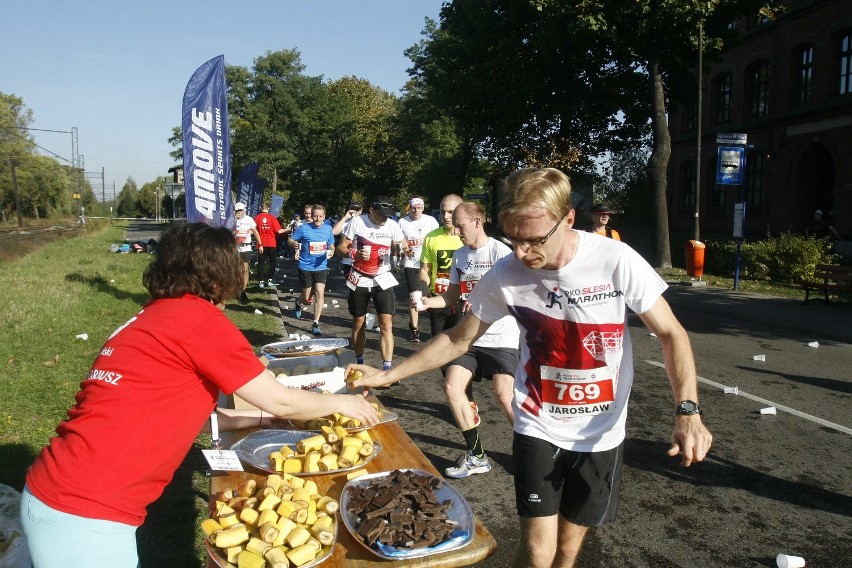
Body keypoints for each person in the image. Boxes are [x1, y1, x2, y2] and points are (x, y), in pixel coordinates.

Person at [348, 168, 713, 568]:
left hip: (602, 431)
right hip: (538, 423)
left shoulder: (615, 260)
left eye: (535, 240)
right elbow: (458, 339)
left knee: (568, 552)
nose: (522, 253)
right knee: (538, 553)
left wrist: (688, 410)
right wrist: (387, 375)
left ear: (568, 219)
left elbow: (672, 335)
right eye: (514, 239)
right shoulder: (507, 273)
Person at [20, 223, 378, 568]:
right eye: (237, 261)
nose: (243, 269)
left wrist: (260, 420)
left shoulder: (153, 315)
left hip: (61, 487)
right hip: (84, 507)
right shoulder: (199, 321)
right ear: (216, 272)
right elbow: (279, 398)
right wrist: (341, 401)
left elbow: (168, 409)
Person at [416, 202, 518, 478]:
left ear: (477, 222)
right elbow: (451, 296)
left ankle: (531, 453)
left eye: (460, 225)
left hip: (502, 337)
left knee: (504, 395)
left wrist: (485, 302)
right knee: (452, 386)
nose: (456, 230)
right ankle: (477, 456)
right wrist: (429, 303)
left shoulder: (501, 253)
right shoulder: (460, 256)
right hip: (470, 338)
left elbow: (517, 296)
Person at [336, 195, 409, 371]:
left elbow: (403, 244)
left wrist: (405, 249)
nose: (385, 218)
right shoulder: (358, 222)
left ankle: (387, 368)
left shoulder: (392, 225)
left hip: (382, 277)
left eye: (388, 214)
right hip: (360, 278)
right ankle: (359, 362)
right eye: (381, 214)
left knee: (386, 324)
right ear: (371, 210)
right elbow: (340, 248)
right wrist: (355, 254)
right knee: (359, 322)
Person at [419, 194, 464, 339]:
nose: (445, 216)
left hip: (462, 301)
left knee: (458, 350)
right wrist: (423, 288)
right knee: (437, 346)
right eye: (442, 211)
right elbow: (425, 269)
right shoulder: (431, 237)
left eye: (450, 212)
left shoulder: (466, 237)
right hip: (438, 298)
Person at [289, 204, 335, 336]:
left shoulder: (328, 229)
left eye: (320, 216)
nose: (317, 218)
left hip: (321, 266)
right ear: (311, 215)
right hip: (305, 266)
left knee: (320, 293)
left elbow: (331, 244)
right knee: (307, 296)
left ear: (324, 217)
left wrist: (331, 250)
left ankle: (315, 323)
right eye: (315, 216)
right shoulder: (304, 228)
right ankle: (298, 302)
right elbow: (290, 240)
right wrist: (294, 244)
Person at [398, 196, 439, 342]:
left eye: (419, 207)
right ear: (410, 207)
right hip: (411, 264)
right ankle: (414, 329)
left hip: (428, 264)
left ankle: (436, 327)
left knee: (429, 294)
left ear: (423, 208)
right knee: (414, 296)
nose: (416, 210)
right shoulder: (402, 222)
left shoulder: (430, 221)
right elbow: (397, 242)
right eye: (414, 207)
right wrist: (403, 249)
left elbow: (437, 240)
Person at [233, 202, 262, 302]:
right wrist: (234, 220)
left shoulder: (249, 219)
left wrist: (260, 244)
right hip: (236, 247)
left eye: (241, 210)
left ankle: (243, 290)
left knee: (245, 268)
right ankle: (237, 288)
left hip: (246, 247)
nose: (239, 212)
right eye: (237, 211)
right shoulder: (232, 220)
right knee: (237, 269)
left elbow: (255, 231)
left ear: (244, 210)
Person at [254, 201, 285, 288]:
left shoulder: (257, 218)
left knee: (261, 263)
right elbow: (279, 231)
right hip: (272, 243)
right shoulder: (272, 218)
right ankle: (270, 279)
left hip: (261, 244)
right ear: (268, 208)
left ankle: (261, 281)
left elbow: (253, 231)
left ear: (260, 208)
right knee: (273, 262)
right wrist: (287, 229)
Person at [332, 202, 363, 279]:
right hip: (348, 260)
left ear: (361, 211)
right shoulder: (345, 222)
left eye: (357, 209)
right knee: (351, 285)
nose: (355, 211)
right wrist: (345, 217)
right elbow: (333, 232)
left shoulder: (364, 222)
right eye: (353, 209)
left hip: (361, 260)